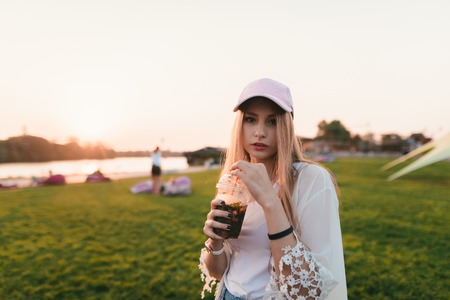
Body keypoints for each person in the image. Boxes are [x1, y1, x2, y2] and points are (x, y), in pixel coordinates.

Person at [199, 78, 347, 299]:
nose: (259, 132)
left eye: (272, 122)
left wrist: (270, 201)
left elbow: (306, 291)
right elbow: (218, 271)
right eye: (251, 119)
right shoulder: (236, 181)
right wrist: (216, 240)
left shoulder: (311, 180)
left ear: (286, 127)